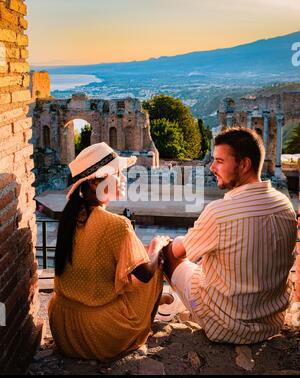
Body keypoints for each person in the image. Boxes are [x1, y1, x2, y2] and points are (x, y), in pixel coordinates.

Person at [163, 127, 297, 344]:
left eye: (219, 161)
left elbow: (178, 252)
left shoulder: (220, 213)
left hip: (225, 326)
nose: (211, 167)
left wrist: (169, 244)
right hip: (271, 323)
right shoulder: (285, 205)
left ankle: (159, 314)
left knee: (166, 254)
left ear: (244, 165)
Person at [48, 142, 170, 361]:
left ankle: (151, 300)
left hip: (64, 328)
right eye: (118, 172)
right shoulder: (117, 224)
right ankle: (147, 309)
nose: (123, 178)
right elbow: (145, 274)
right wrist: (156, 247)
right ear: (95, 182)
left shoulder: (70, 216)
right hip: (98, 335)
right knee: (157, 266)